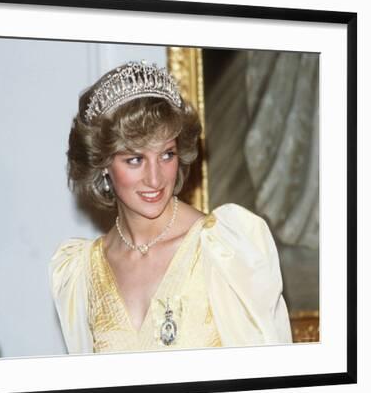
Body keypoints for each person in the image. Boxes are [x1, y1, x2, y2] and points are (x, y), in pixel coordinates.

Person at [49, 61, 292, 354]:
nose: (155, 178)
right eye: (135, 159)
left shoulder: (225, 248)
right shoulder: (81, 272)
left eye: (166, 154)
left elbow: (268, 380)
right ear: (102, 165)